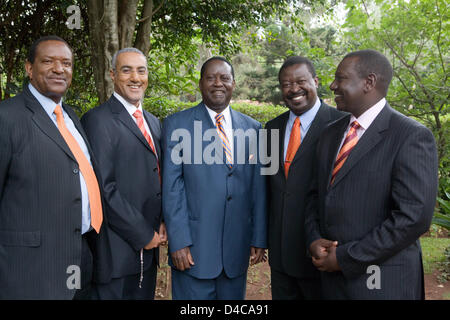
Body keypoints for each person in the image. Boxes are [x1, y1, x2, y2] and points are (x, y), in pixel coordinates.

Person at [305, 49, 438, 299]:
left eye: (340, 78)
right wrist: (313, 239)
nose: (333, 85)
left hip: (383, 283)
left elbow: (414, 217)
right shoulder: (330, 134)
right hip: (331, 284)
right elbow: (315, 196)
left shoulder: (411, 136)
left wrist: (345, 258)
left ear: (369, 82)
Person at [0, 35, 108, 299]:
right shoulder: (7, 118)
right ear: (29, 68)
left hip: (81, 257)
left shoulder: (70, 116)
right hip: (30, 270)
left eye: (67, 63)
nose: (59, 69)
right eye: (48, 61)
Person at [161, 57, 267, 300]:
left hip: (236, 251)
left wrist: (259, 236)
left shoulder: (254, 128)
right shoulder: (177, 125)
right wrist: (178, 241)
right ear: (200, 84)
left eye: (225, 78)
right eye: (211, 78)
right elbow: (172, 188)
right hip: (193, 252)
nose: (218, 83)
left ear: (234, 83)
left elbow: (258, 188)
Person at [81, 48, 166, 300]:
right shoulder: (97, 120)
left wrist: (162, 222)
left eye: (141, 70)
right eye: (126, 70)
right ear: (112, 75)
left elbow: (158, 177)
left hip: (148, 254)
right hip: (116, 255)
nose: (135, 77)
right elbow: (104, 188)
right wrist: (143, 234)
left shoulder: (153, 121)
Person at [265, 56, 344, 300]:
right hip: (281, 255)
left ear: (316, 82)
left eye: (300, 81)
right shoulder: (269, 129)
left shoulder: (342, 124)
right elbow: (266, 186)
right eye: (286, 84)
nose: (294, 89)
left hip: (322, 253)